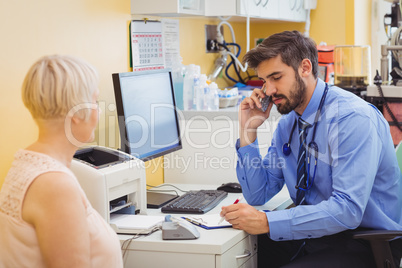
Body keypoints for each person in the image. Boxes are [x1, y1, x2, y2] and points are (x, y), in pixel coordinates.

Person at [220, 31, 402, 267]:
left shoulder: (353, 118)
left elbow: (347, 210)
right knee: (235, 255)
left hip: (363, 241)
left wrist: (266, 222)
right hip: (315, 234)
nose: (269, 90)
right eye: (264, 81)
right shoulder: (289, 124)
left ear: (305, 68)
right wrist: (248, 130)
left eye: (276, 77)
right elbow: (258, 194)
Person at [0, 55, 123, 267]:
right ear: (76, 112)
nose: (98, 110)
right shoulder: (54, 186)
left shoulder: (28, 163)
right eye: (95, 101)